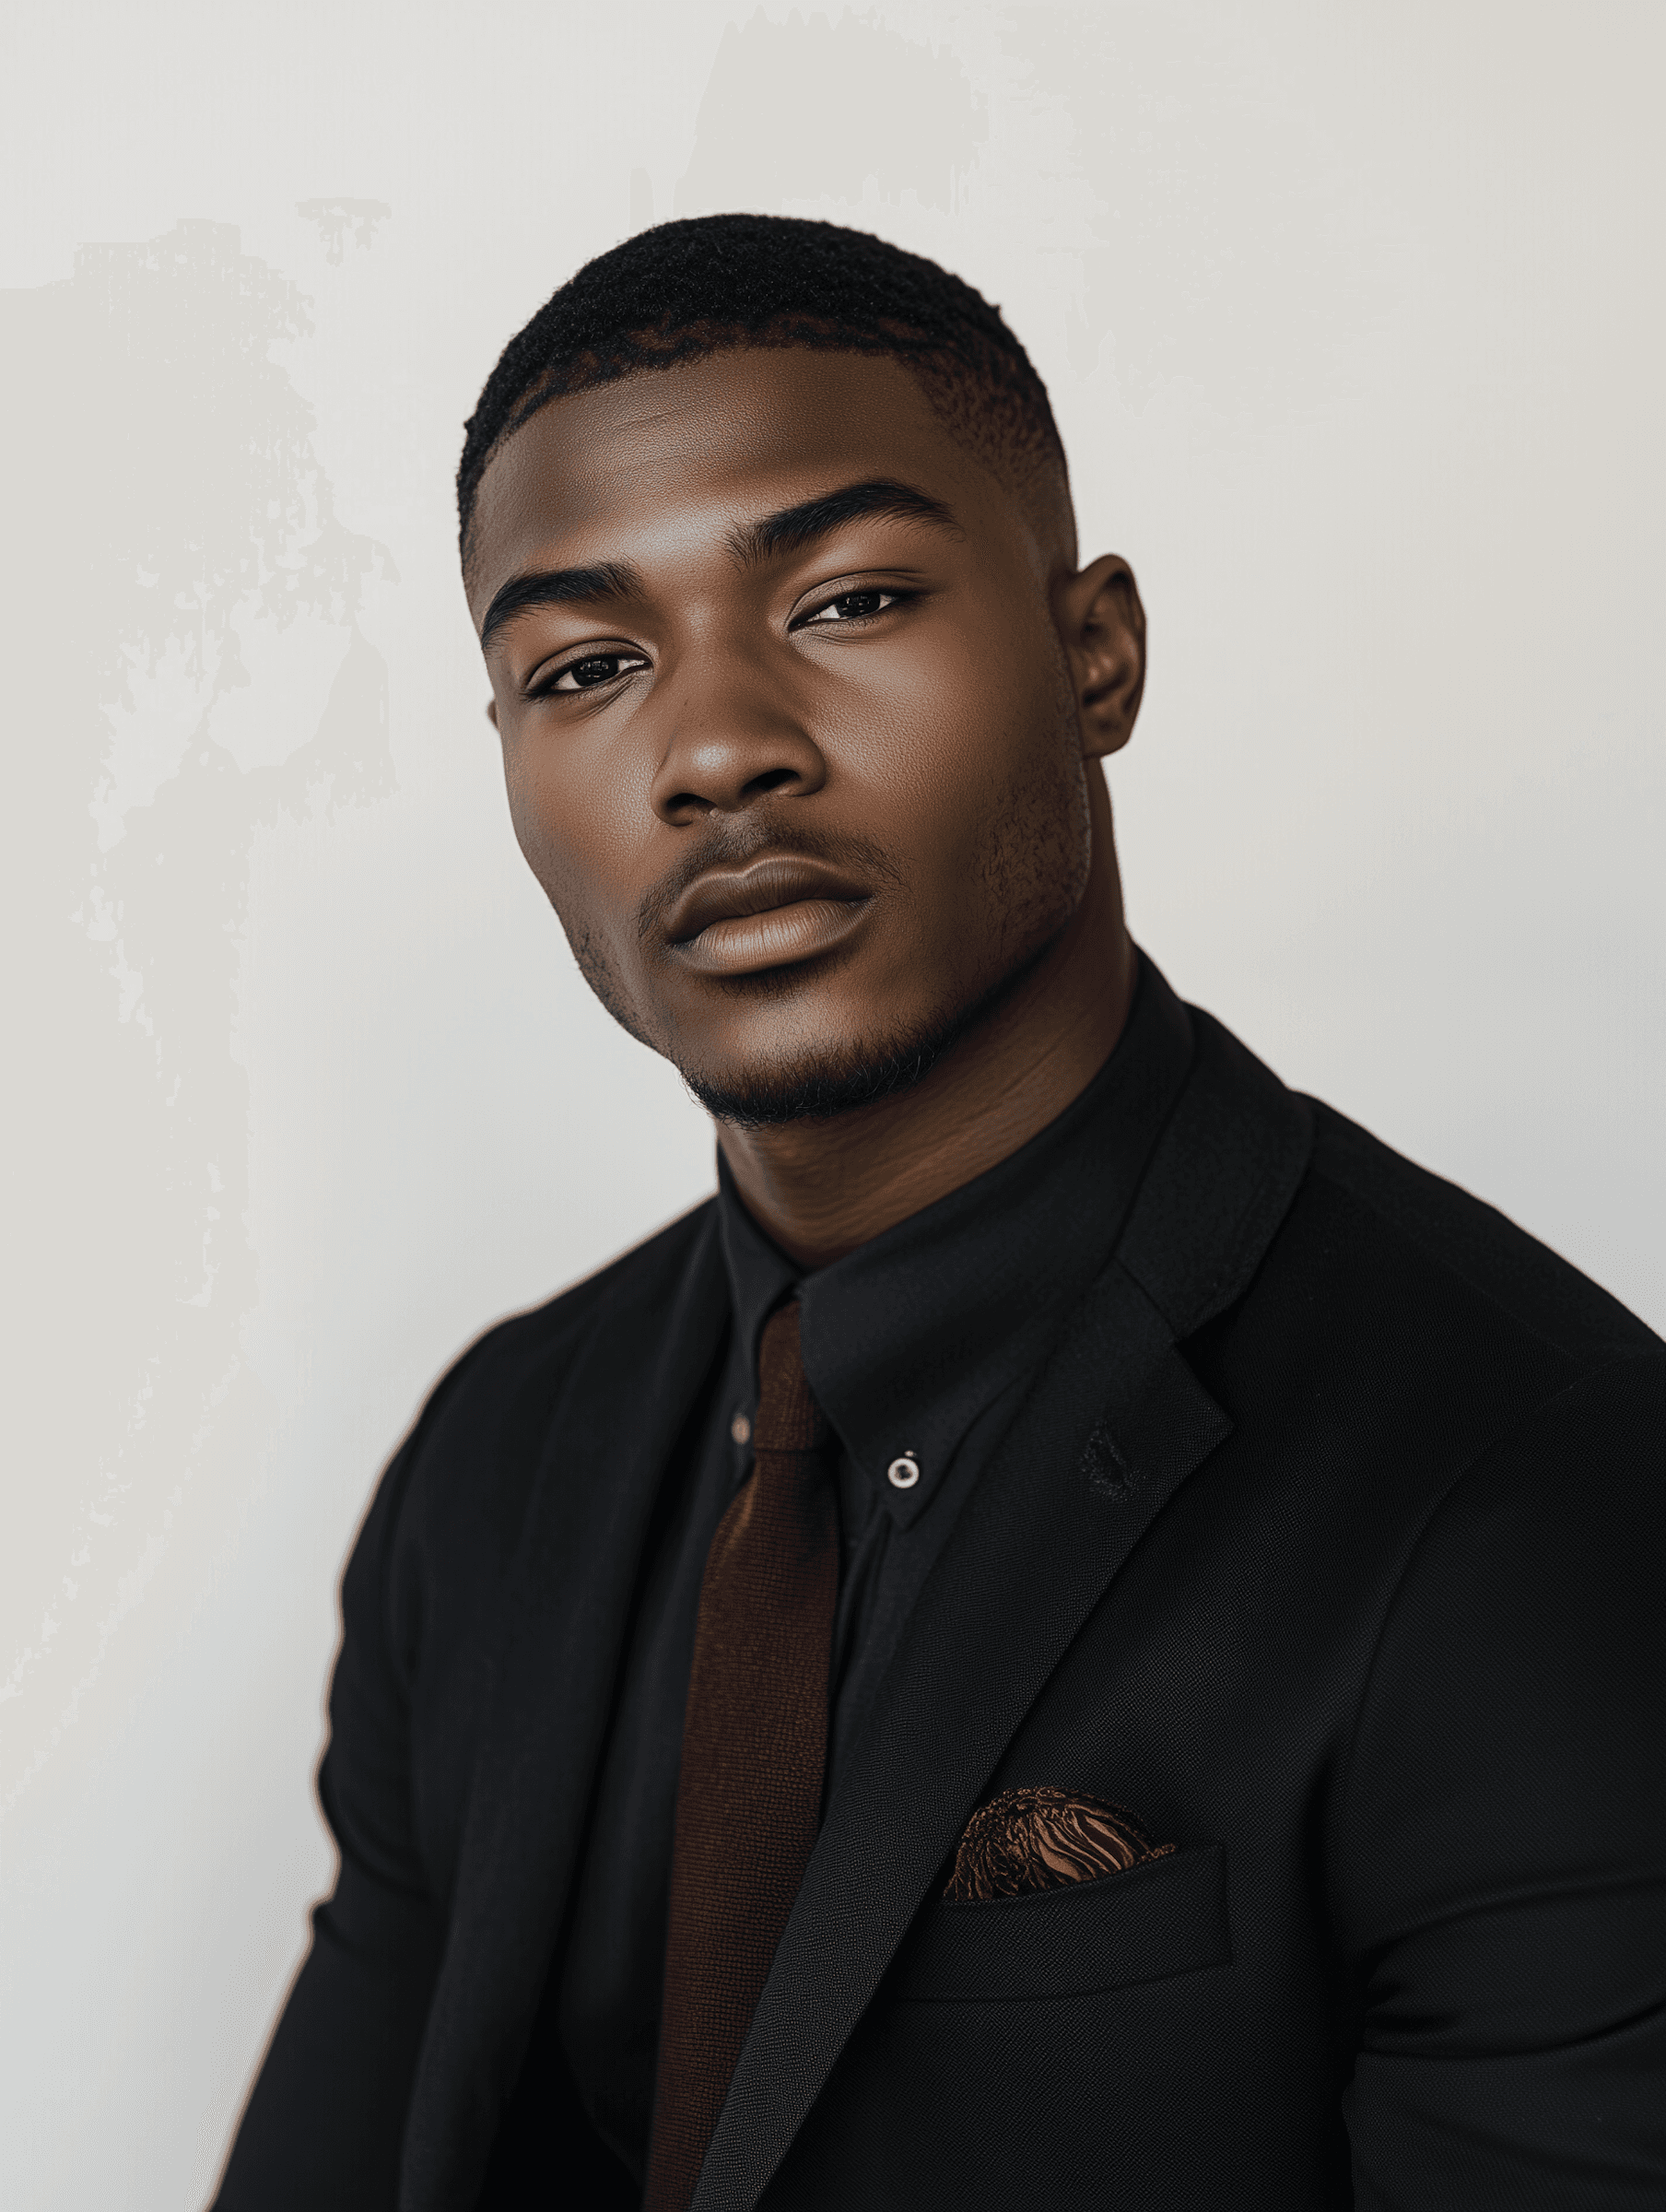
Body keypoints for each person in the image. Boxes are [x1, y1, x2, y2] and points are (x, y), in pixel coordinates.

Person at [212, 216, 1664, 2212]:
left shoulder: (1538, 1498)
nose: (716, 748)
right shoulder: (498, 1459)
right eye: (588, 667)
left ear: (1096, 655)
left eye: (849, 599)